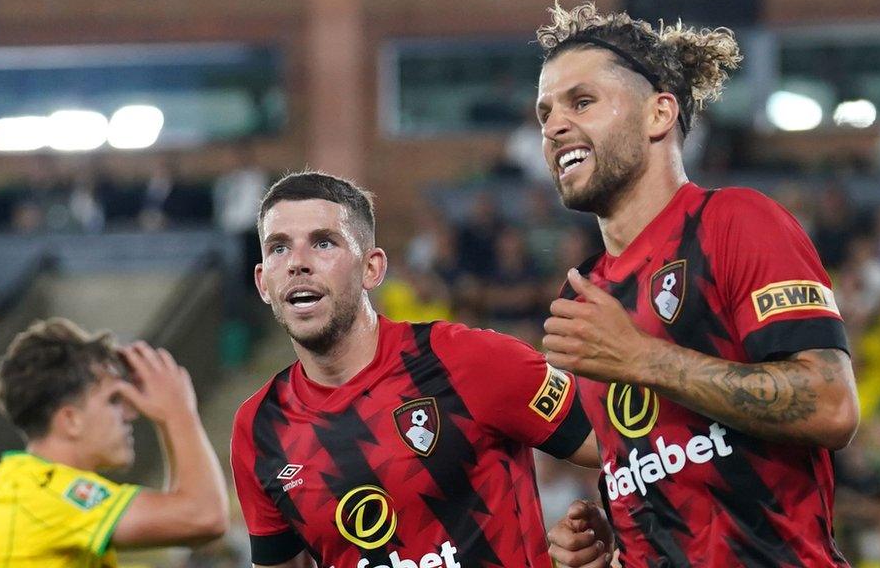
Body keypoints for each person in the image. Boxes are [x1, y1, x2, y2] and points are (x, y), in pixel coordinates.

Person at [533, 1, 860, 567]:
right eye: (544, 113)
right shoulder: (583, 291)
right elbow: (658, 462)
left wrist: (643, 358)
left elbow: (832, 406)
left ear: (659, 114)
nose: (554, 126)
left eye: (581, 102)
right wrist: (608, 547)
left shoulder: (735, 222)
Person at [230, 172, 608, 568]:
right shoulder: (258, 429)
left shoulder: (471, 360)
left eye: (323, 242)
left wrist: (615, 530)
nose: (297, 264)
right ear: (262, 283)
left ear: (372, 269)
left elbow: (628, 449)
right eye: (278, 249)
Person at [0, 318, 228, 567]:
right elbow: (204, 518)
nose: (131, 413)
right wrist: (178, 411)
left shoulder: (12, 487)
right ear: (71, 419)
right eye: (113, 400)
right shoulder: (48, 494)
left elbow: (185, 522)